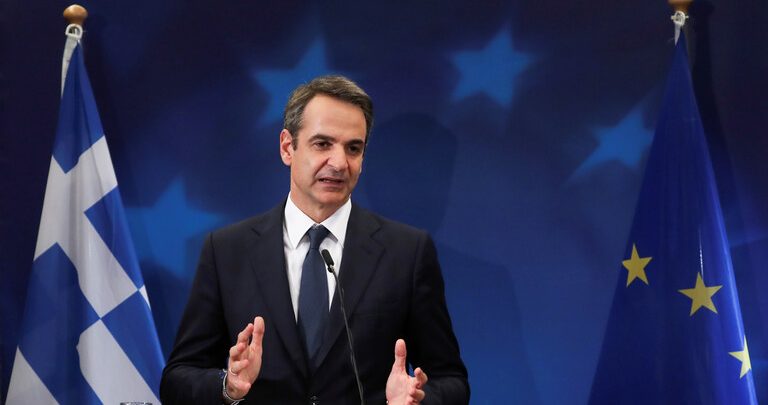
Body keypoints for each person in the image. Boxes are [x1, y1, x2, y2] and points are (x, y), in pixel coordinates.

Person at [160, 75, 469, 404]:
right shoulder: (226, 251)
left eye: (353, 148)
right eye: (323, 144)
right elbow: (177, 379)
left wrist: (417, 400)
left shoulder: (407, 253)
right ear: (287, 147)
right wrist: (228, 386)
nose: (339, 163)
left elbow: (451, 381)